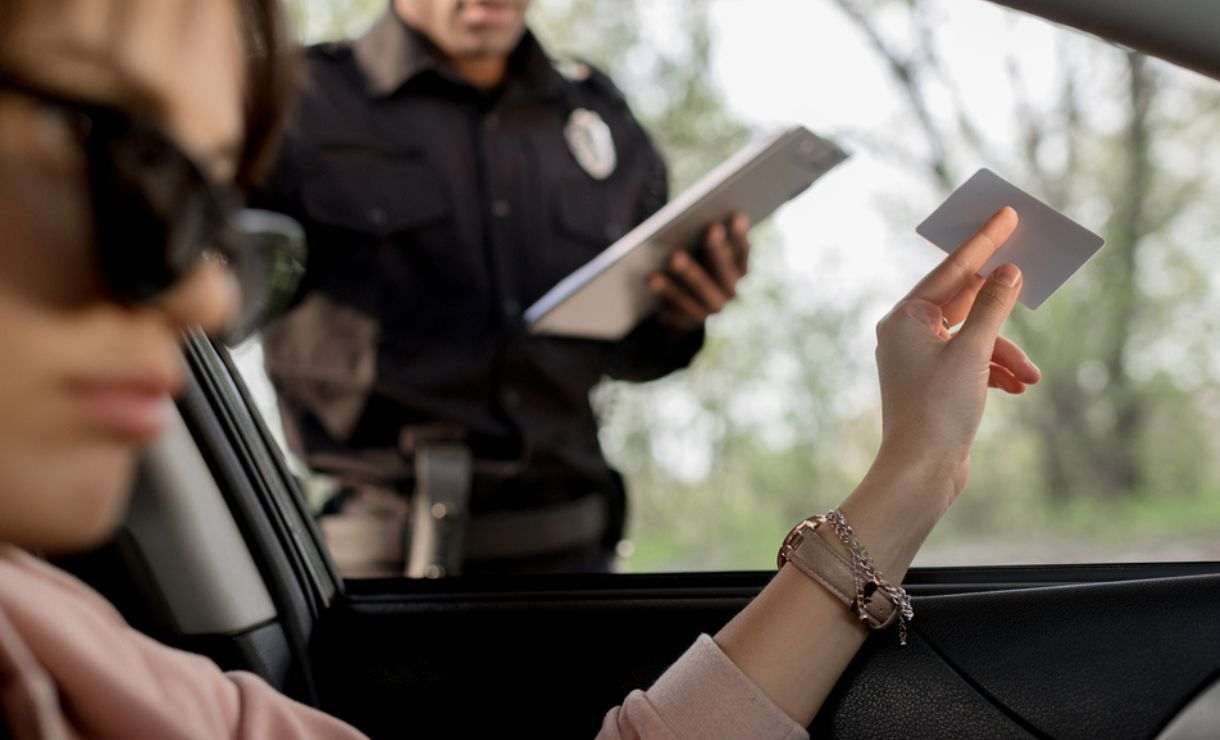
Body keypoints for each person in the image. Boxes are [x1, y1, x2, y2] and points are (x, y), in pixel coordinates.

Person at [0, 0, 1043, 736]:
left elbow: (637, 344)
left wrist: (685, 313)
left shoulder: (596, 117)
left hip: (571, 546)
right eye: (120, 161)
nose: (200, 296)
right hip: (384, 560)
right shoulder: (312, 102)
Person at [251, 0, 754, 577]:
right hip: (382, 582)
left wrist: (680, 312)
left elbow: (631, 354)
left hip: (580, 571)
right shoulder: (297, 100)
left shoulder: (596, 111)